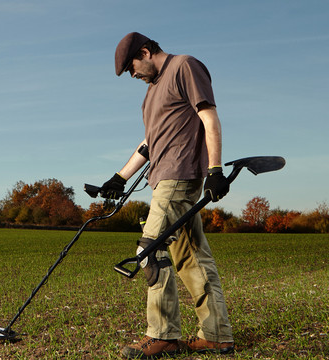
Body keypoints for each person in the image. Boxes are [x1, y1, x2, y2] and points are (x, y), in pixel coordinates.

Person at [99, 32, 235, 358]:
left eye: (132, 66)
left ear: (145, 51)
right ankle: (216, 335)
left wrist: (215, 170)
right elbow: (149, 143)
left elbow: (209, 117)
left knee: (150, 250)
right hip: (162, 180)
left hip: (178, 176)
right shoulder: (150, 94)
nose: (133, 74)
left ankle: (163, 335)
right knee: (191, 259)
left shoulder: (184, 67)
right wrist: (118, 178)